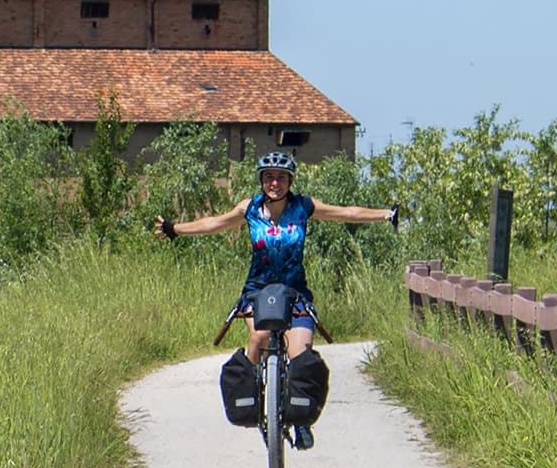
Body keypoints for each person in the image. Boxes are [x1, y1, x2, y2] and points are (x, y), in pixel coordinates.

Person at [152, 150, 399, 448]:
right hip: (258, 291)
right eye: (269, 177)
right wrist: (175, 230)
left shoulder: (303, 207)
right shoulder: (250, 209)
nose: (275, 183)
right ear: (261, 181)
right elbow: (214, 223)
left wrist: (386, 214)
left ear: (290, 180)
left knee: (300, 354)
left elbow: (346, 212)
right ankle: (254, 403)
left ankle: (300, 420)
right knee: (259, 339)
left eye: (281, 177)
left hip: (295, 293)